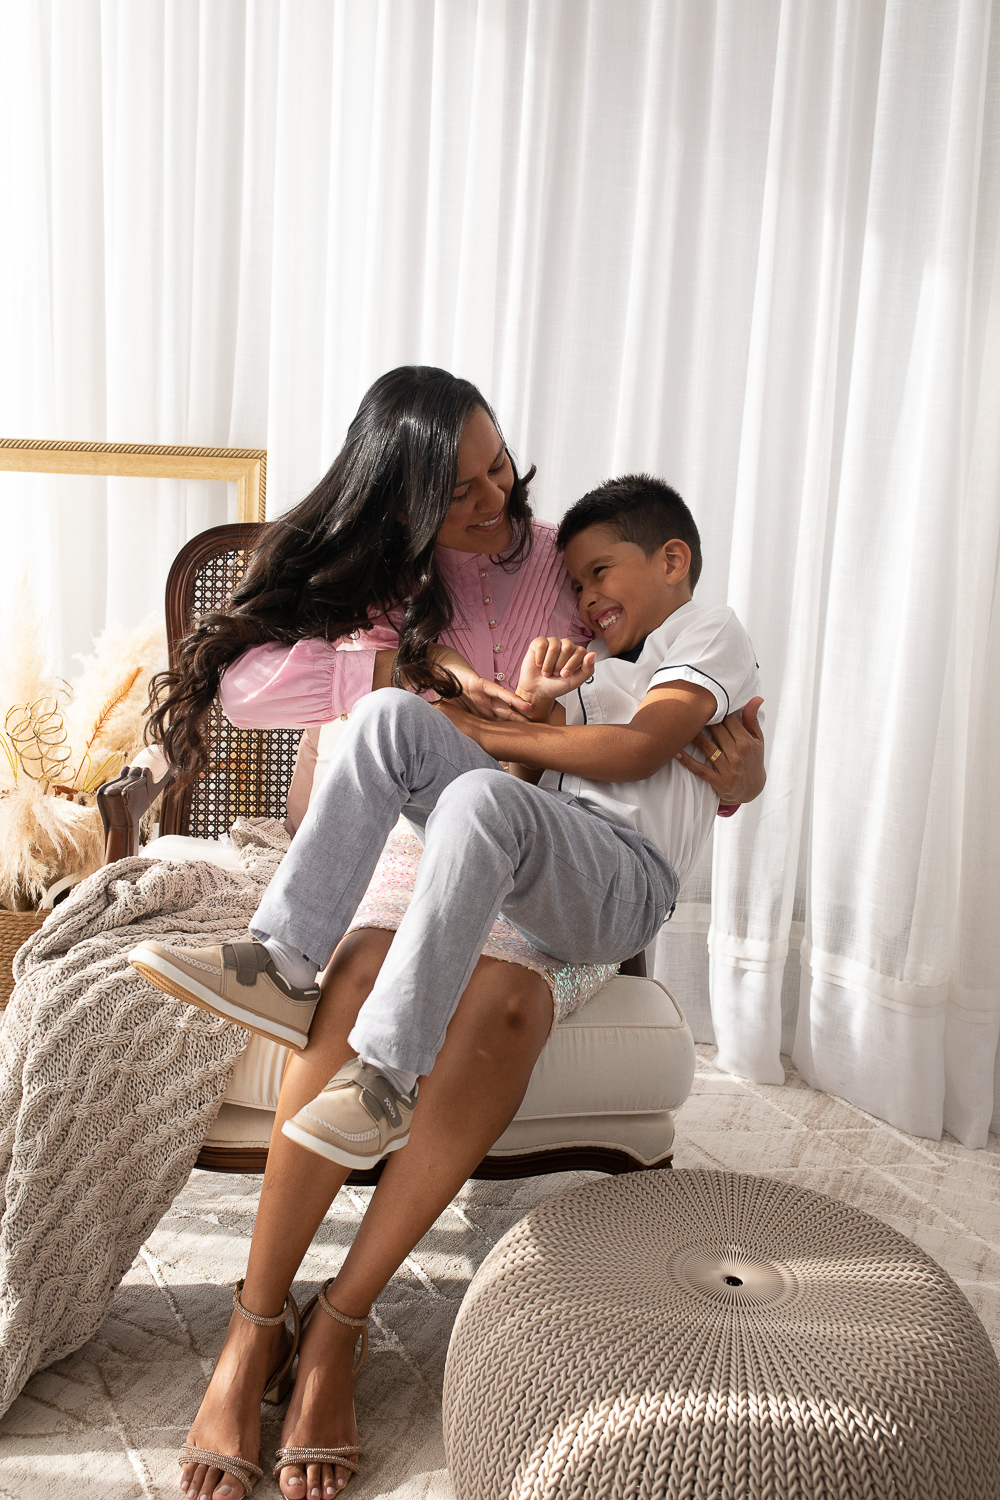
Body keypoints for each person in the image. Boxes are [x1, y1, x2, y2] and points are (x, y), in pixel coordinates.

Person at [133, 369, 765, 1500]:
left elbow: (645, 735)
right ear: (405, 499)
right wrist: (400, 668)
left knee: (506, 997)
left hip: (543, 847)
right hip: (419, 836)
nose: (496, 500)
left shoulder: (584, 566)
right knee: (361, 974)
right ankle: (255, 1321)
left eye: (499, 466)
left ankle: (340, 1322)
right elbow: (250, 690)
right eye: (460, 489)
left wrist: (732, 775)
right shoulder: (389, 576)